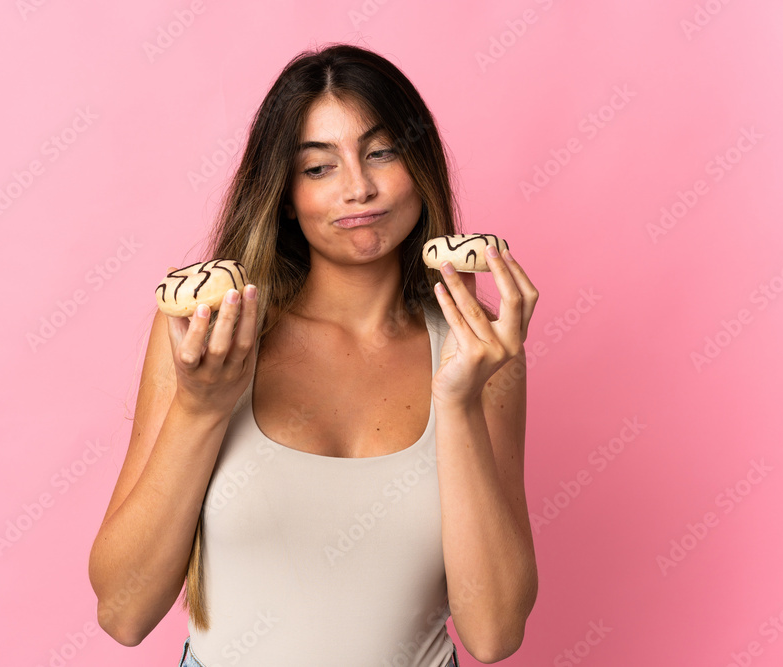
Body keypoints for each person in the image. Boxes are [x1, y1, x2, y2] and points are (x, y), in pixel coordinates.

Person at [88, 43, 540, 666]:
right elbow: (123, 613)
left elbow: (494, 634)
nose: (358, 188)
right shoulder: (208, 338)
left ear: (420, 163)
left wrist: (458, 403)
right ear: (284, 192)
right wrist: (200, 408)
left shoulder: (481, 350)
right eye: (319, 167)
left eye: (381, 152)